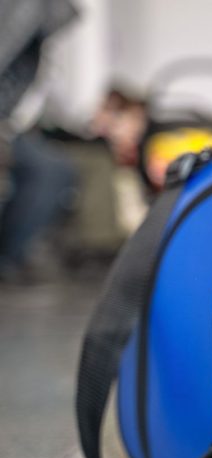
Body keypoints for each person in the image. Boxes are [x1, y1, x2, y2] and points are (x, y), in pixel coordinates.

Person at [0, 0, 78, 283]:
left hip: (14, 129)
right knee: (49, 170)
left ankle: (9, 256)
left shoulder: (35, 56)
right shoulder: (17, 30)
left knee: (54, 169)